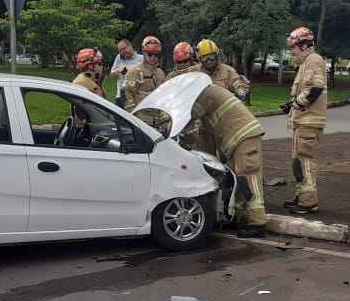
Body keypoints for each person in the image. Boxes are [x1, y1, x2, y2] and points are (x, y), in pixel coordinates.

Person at [175, 82, 267, 238]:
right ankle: (241, 217)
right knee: (236, 181)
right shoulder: (206, 95)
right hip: (236, 141)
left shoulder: (204, 95)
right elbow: (203, 140)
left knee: (248, 178)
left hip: (244, 137)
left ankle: (258, 223)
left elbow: (188, 121)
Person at [280, 27, 327, 214]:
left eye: (294, 48)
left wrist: (296, 104)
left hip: (309, 122)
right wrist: (291, 104)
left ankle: (308, 202)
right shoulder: (307, 62)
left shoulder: (314, 60)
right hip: (303, 122)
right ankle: (302, 197)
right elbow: (306, 91)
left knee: (305, 162)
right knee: (298, 162)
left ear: (305, 45)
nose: (291, 52)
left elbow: (315, 89)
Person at [124, 36, 165, 110]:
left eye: (156, 55)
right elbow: (128, 94)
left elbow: (164, 95)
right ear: (143, 52)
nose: (153, 57)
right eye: (149, 54)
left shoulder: (161, 73)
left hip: (158, 116)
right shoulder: (135, 72)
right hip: (141, 116)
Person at [109, 39, 142, 106]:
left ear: (130, 46)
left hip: (136, 94)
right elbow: (112, 76)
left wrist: (127, 70)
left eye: (124, 48)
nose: (122, 52)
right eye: (120, 50)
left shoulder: (142, 59)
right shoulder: (119, 58)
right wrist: (120, 70)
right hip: (121, 95)